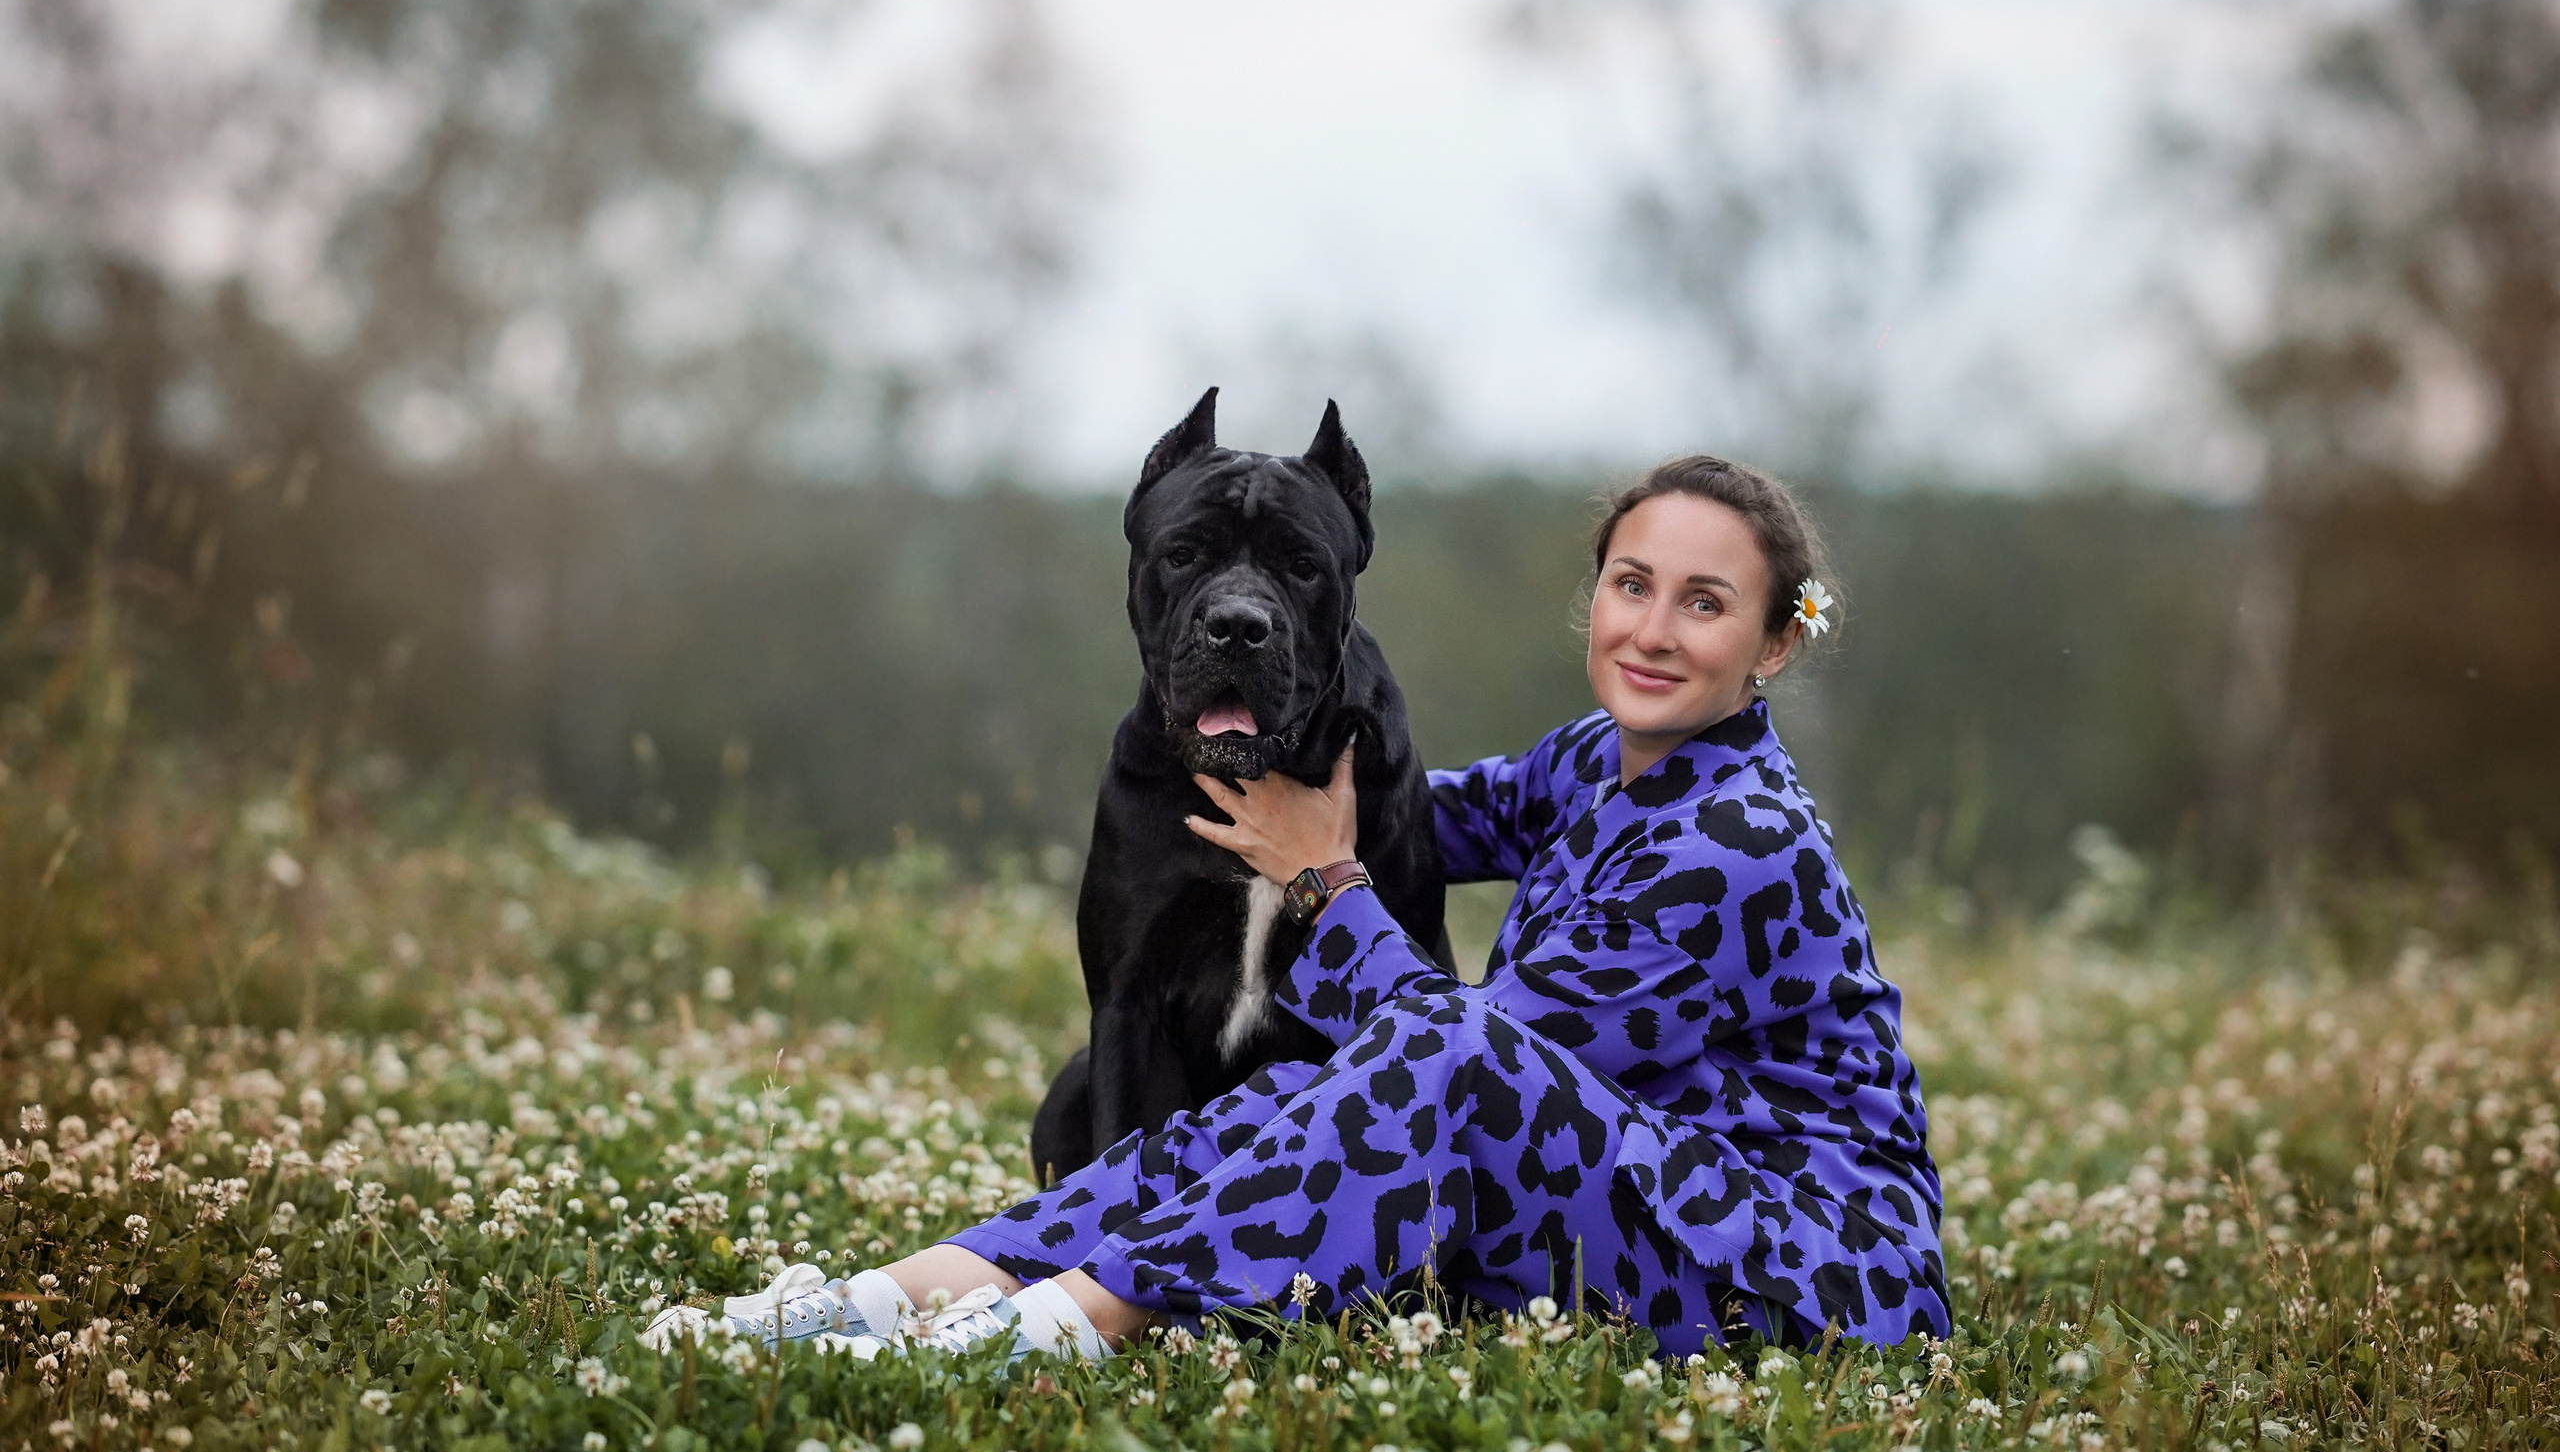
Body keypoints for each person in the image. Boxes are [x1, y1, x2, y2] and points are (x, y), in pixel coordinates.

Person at [645, 455, 1948, 1364]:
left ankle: (1053, 1333)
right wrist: (1301, 739)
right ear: (1596, 595)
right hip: (1637, 1204)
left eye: (1705, 603)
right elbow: (1427, 809)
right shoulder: (1596, 762)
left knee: (1427, 1057)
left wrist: (1324, 880)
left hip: (1791, 1269)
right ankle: (895, 1299)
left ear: (1777, 643)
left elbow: (1467, 1068)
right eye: (1631, 584)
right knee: (1262, 1104)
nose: (1652, 629)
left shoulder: (1735, 838)